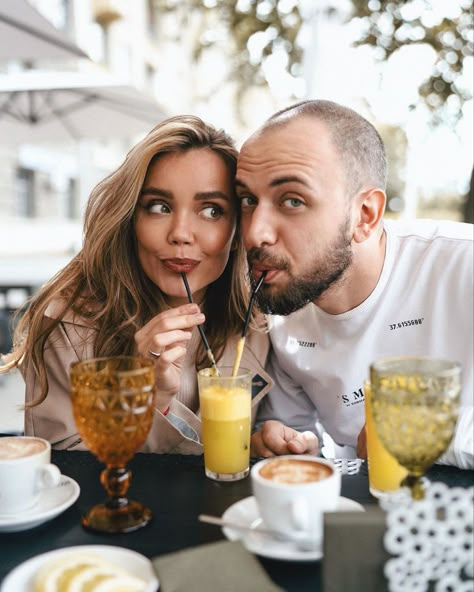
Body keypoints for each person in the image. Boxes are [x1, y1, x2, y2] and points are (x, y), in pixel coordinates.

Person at [1, 114, 280, 455]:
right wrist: (141, 396)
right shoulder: (68, 326)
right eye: (159, 207)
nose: (180, 233)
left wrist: (258, 444)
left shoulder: (253, 323)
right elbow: (66, 472)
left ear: (238, 231)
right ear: (131, 218)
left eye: (211, 211)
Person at [236, 99, 473, 469]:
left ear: (365, 215)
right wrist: (292, 445)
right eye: (247, 200)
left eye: (293, 200)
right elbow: (299, 438)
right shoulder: (282, 313)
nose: (255, 232)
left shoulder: (463, 265)